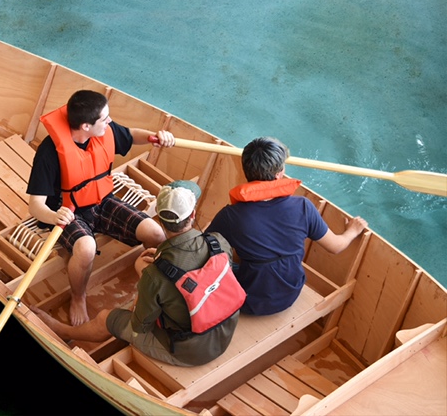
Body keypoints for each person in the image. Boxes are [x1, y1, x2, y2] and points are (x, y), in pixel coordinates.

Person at [31, 180, 242, 366]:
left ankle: (63, 331)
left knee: (107, 318)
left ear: (159, 217)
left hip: (191, 351)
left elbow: (139, 326)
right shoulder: (217, 241)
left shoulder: (154, 275)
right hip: (227, 329)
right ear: (193, 215)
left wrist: (143, 274)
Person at [27, 90, 175, 326]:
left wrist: (154, 137)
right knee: (86, 247)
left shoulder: (102, 130)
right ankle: (78, 296)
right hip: (66, 209)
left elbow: (129, 135)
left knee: (156, 234)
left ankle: (152, 287)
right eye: (105, 119)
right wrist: (54, 215)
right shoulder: (49, 152)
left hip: (102, 200)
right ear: (86, 126)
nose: (110, 122)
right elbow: (35, 205)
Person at [205, 136, 369, 316]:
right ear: (279, 174)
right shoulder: (304, 207)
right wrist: (352, 231)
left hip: (249, 301)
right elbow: (336, 246)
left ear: (246, 171)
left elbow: (202, 250)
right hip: (291, 293)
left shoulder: (230, 215)